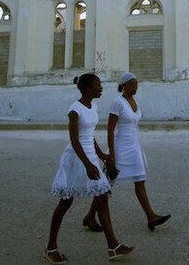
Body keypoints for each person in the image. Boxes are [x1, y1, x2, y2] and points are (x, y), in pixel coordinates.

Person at [45, 73, 133, 264]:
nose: (101, 88)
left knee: (102, 198)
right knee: (65, 202)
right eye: (97, 85)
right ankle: (50, 247)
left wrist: (101, 156)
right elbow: (75, 140)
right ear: (87, 88)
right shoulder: (75, 110)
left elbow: (89, 137)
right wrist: (87, 165)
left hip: (90, 158)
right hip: (75, 159)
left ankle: (113, 246)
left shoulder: (93, 106)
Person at [86, 72, 170, 232]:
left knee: (140, 180)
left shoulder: (135, 101)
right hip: (120, 147)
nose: (135, 86)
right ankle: (90, 216)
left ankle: (151, 216)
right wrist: (112, 155)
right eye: (131, 84)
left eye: (136, 83)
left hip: (134, 147)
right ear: (123, 86)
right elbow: (110, 131)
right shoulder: (118, 102)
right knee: (106, 186)